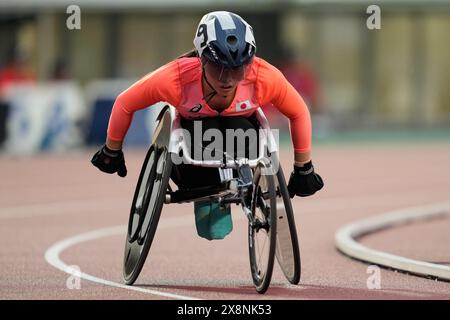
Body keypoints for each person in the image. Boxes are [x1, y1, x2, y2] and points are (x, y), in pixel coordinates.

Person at [91, 11, 324, 239]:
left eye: (237, 69)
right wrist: (112, 150)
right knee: (214, 231)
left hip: (242, 141)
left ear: (248, 63)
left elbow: (299, 112)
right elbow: (124, 103)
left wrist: (303, 167)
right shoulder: (175, 79)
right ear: (202, 60)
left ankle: (237, 181)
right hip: (193, 150)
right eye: (218, 68)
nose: (228, 79)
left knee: (242, 130)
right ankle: (212, 194)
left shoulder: (263, 76)